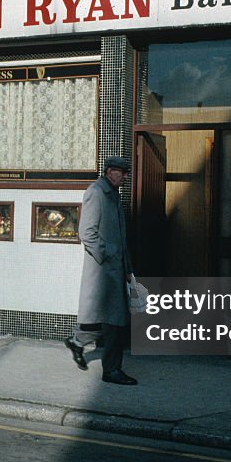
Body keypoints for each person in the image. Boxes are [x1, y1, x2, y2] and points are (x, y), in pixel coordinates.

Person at [65, 156, 138, 385]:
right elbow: (86, 233)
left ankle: (77, 342)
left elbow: (121, 235)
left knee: (109, 320)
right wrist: (108, 256)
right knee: (115, 322)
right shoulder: (96, 192)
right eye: (121, 172)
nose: (125, 177)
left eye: (126, 173)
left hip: (115, 269)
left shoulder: (113, 194)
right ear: (109, 171)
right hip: (103, 272)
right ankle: (112, 371)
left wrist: (127, 267)